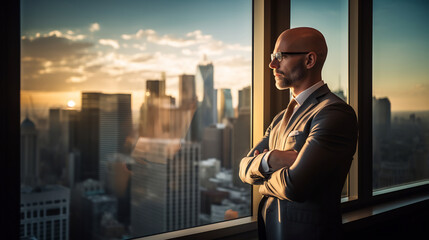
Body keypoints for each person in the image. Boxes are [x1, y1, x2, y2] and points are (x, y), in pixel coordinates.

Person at [239, 27, 358, 240]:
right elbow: (243, 169)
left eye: (280, 57)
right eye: (272, 57)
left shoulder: (334, 112)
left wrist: (261, 181)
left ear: (309, 60)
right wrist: (271, 158)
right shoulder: (278, 119)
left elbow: (294, 186)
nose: (272, 64)